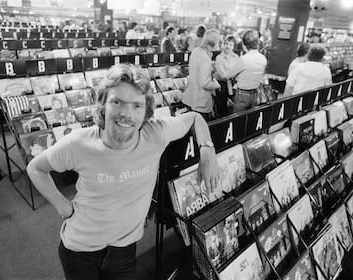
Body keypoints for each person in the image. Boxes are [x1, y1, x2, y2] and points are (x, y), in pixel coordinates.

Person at [26, 64, 220, 280]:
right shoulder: (78, 143)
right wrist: (63, 208)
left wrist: (207, 152)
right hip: (80, 251)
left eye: (136, 106)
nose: (126, 114)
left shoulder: (155, 133)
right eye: (117, 102)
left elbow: (195, 118)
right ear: (103, 105)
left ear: (146, 111)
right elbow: (35, 168)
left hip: (125, 249)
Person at [182, 29, 221, 121]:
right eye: (218, 42)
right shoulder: (205, 58)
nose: (219, 45)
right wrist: (216, 84)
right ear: (213, 43)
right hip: (201, 102)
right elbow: (205, 83)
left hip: (192, 97)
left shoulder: (196, 51)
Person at [225, 31, 267, 112]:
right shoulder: (263, 58)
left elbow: (228, 75)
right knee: (251, 120)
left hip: (242, 95)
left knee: (238, 121)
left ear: (244, 45)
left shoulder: (244, 59)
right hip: (256, 94)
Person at [214, 35, 239, 117]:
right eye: (226, 44)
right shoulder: (219, 58)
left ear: (233, 47)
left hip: (233, 84)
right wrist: (233, 74)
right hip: (221, 85)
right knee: (222, 109)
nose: (228, 46)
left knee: (235, 106)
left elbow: (239, 71)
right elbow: (223, 75)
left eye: (231, 45)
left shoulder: (236, 57)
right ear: (223, 45)